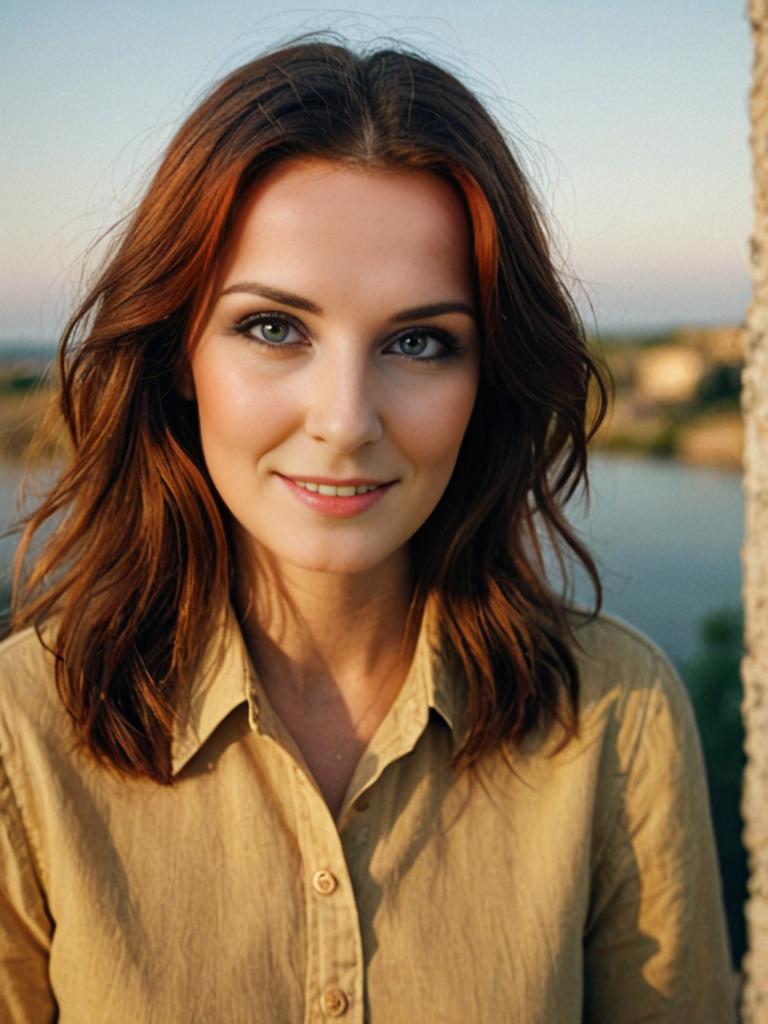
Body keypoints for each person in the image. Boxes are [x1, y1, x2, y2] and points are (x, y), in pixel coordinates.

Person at [0, 38, 735, 1023]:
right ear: (179, 352)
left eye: (419, 341)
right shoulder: (21, 735)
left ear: (488, 379)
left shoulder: (612, 715)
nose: (345, 420)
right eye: (274, 327)